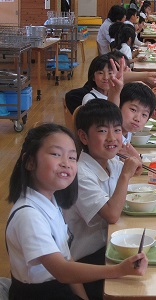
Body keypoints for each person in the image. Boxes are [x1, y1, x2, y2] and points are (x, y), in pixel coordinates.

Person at [6, 123, 148, 300]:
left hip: (58, 287)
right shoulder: (28, 215)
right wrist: (118, 270)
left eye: (72, 157)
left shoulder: (50, 202)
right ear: (30, 161)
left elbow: (68, 259)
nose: (66, 163)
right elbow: (62, 271)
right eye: (56, 154)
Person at [63, 100, 143, 299]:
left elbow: (137, 179)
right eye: (102, 131)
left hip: (108, 246)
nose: (112, 138)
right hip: (87, 260)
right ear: (83, 136)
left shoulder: (111, 162)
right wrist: (125, 175)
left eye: (117, 130)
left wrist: (134, 162)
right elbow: (112, 215)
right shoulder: (80, 173)